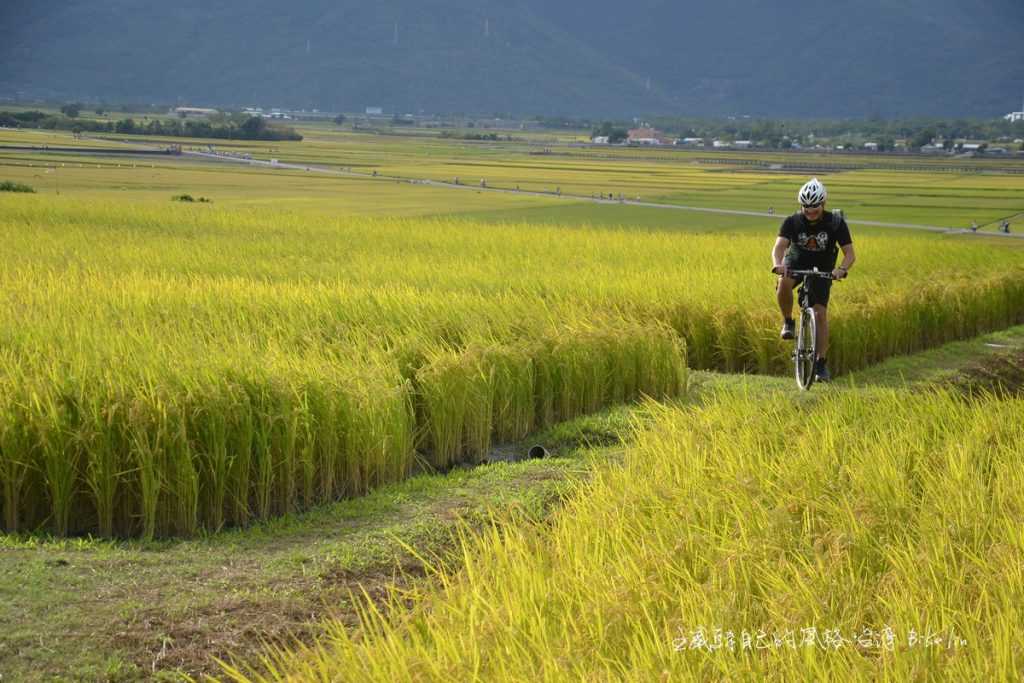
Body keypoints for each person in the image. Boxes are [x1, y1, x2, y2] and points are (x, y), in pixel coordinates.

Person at [771, 178, 856, 382]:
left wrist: (841, 269)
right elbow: (780, 247)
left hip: (824, 266)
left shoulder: (835, 223)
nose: (810, 211)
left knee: (819, 313)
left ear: (823, 203)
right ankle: (788, 322)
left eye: (815, 207)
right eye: (806, 207)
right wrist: (778, 263)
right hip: (797, 260)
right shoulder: (792, 221)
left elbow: (850, 254)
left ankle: (820, 364)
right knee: (784, 281)